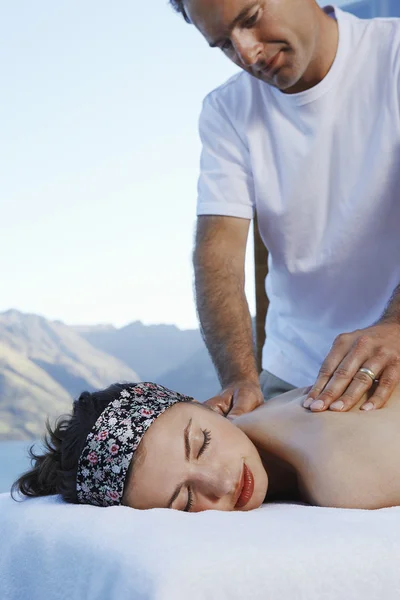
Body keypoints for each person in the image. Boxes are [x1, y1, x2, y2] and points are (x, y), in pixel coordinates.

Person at [168, 0, 400, 417]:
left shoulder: (393, 53)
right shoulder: (226, 111)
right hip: (293, 374)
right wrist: (240, 378)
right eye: (223, 44)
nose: (246, 54)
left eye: (251, 19)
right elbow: (217, 254)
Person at [11, 381, 400, 511]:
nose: (220, 482)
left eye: (201, 443)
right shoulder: (274, 413)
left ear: (211, 404)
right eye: (186, 501)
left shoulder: (344, 471)